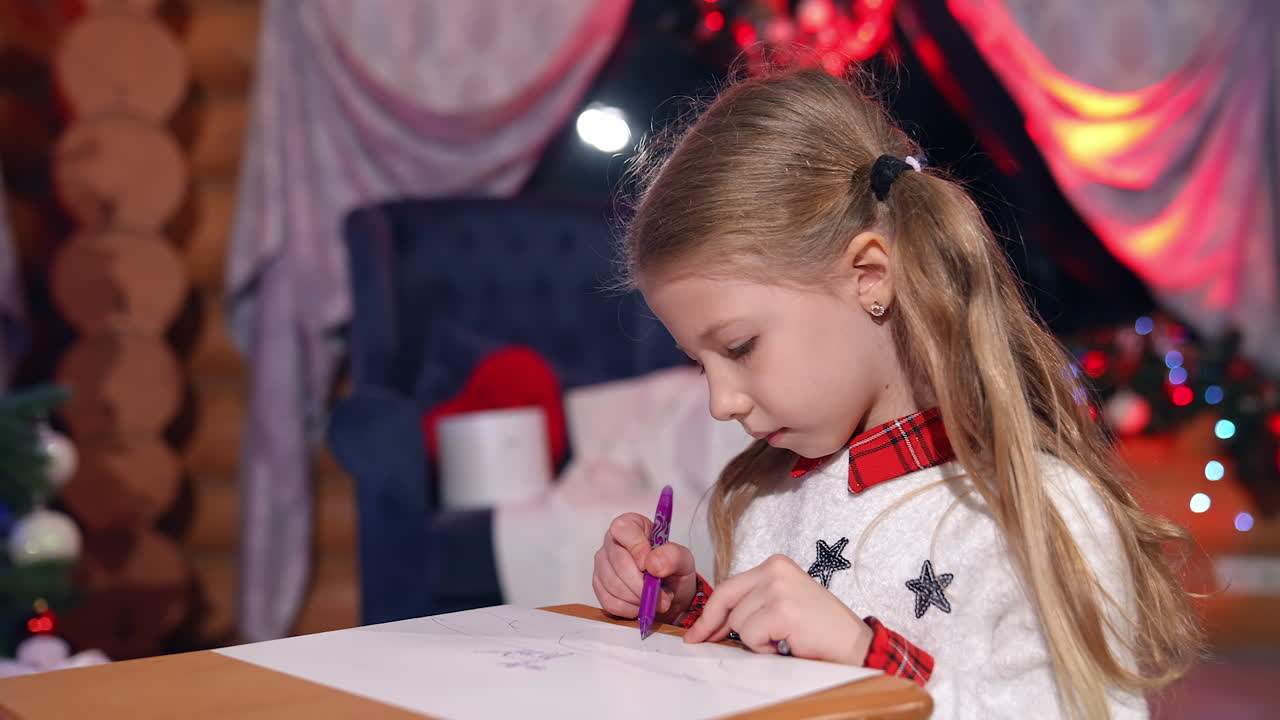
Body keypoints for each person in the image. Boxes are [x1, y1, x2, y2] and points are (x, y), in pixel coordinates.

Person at [590, 66, 1201, 719]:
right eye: (698, 364)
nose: (721, 402)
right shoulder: (767, 499)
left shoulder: (1034, 511)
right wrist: (695, 612)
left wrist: (868, 663)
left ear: (870, 277)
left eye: (740, 348)